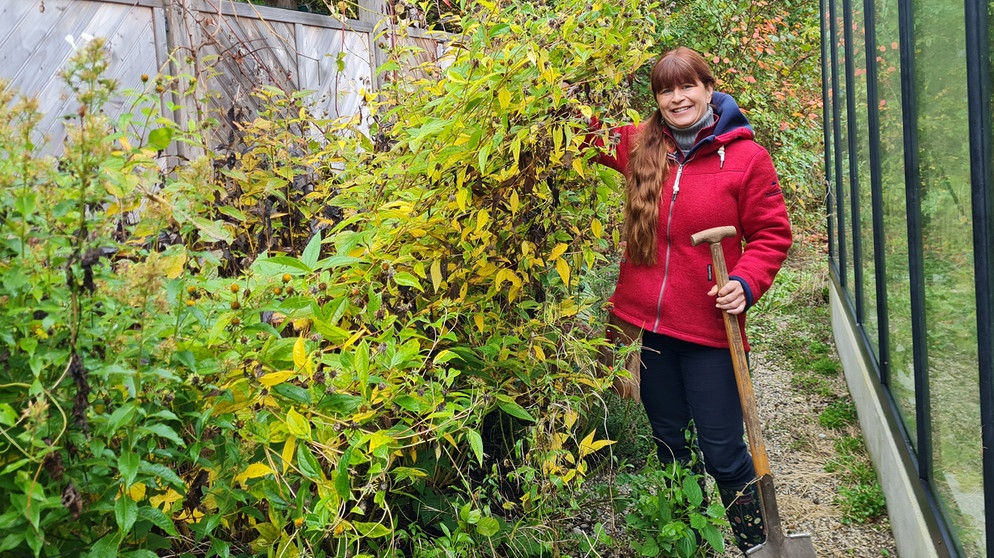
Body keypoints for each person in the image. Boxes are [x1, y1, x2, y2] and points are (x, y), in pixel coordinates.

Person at [593, 46, 792, 553]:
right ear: (657, 98)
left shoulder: (746, 158)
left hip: (709, 331)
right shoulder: (640, 147)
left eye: (687, 87)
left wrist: (744, 283)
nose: (677, 98)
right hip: (649, 329)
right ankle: (691, 539)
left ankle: (755, 545)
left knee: (724, 450)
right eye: (665, 89)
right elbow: (580, 131)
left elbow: (772, 235)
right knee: (670, 443)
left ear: (708, 89)